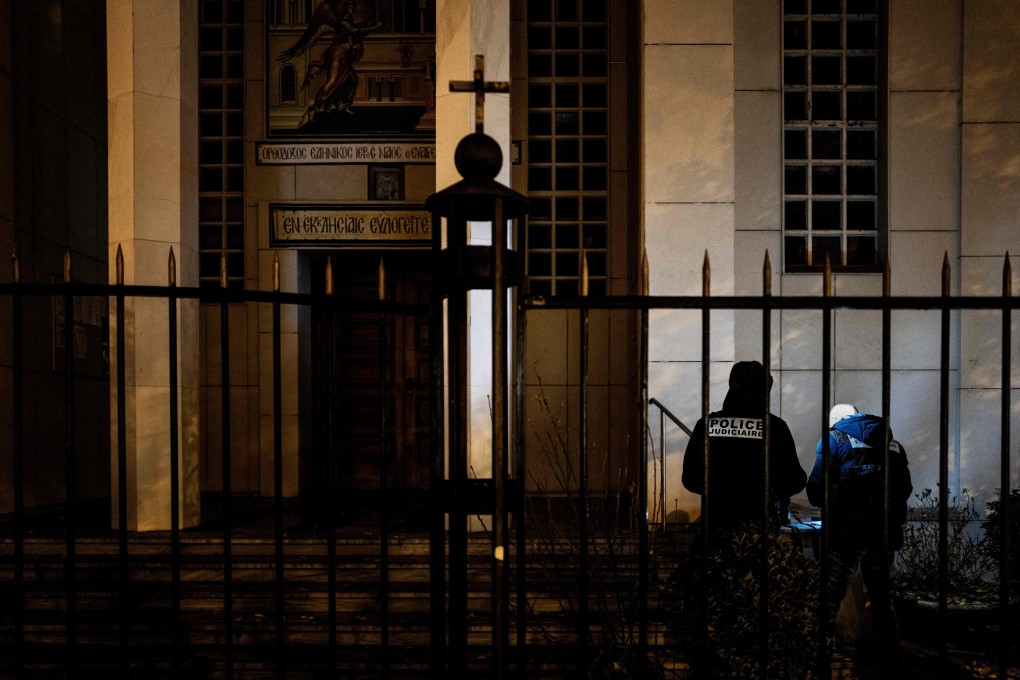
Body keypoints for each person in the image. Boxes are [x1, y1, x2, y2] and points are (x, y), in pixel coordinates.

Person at [806, 404, 913, 663]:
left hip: (846, 534)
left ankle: (819, 653)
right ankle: (888, 657)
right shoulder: (892, 444)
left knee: (830, 595)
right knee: (882, 597)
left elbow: (815, 491)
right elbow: (905, 488)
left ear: (835, 421)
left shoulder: (832, 439)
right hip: (883, 533)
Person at [681, 361, 807, 530]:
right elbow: (795, 479)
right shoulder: (775, 427)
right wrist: (770, 490)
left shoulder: (707, 425)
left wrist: (719, 489)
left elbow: (691, 477)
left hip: (718, 523)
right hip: (760, 525)